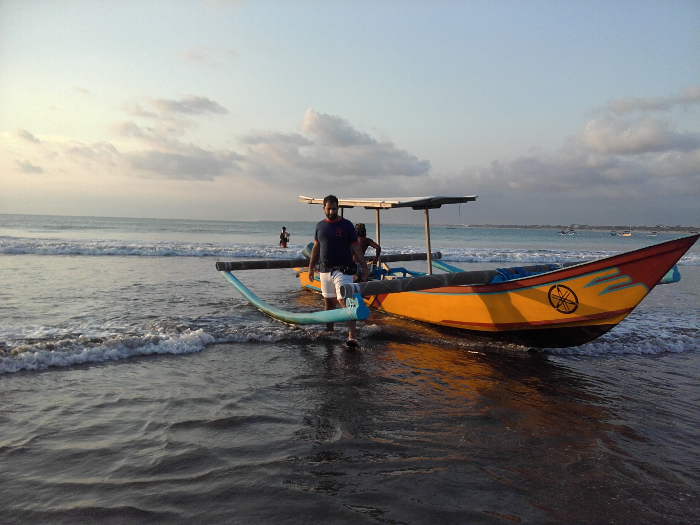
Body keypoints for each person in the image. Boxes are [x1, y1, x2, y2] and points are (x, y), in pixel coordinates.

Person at [307, 195, 369, 347]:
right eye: (329, 208)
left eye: (334, 209)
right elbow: (316, 248)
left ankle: (352, 337)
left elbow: (355, 247)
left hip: (343, 270)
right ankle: (330, 332)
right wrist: (310, 267)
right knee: (329, 302)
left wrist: (365, 267)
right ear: (324, 208)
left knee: (345, 302)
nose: (332, 211)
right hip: (325, 270)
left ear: (338, 208)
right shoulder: (320, 226)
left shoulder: (347, 225)